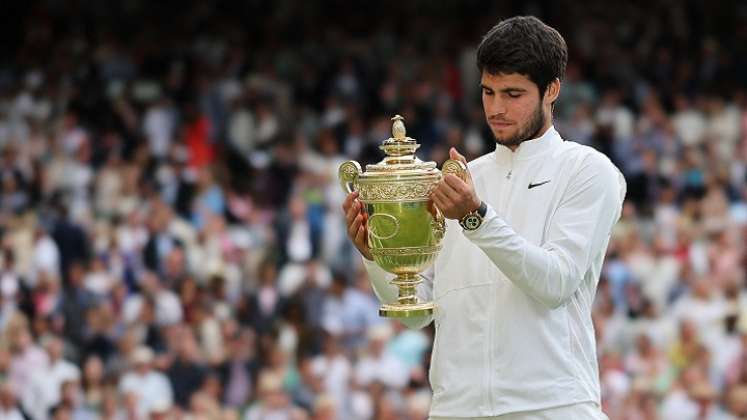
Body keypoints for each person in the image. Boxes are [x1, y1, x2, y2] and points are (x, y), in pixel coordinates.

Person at [342, 16, 626, 419]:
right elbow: (416, 313)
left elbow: (556, 283)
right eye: (488, 92)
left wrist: (476, 217)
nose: (496, 108)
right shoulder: (461, 179)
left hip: (552, 406)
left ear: (552, 90)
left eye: (513, 94)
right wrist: (376, 255)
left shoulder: (587, 170)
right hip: (455, 408)